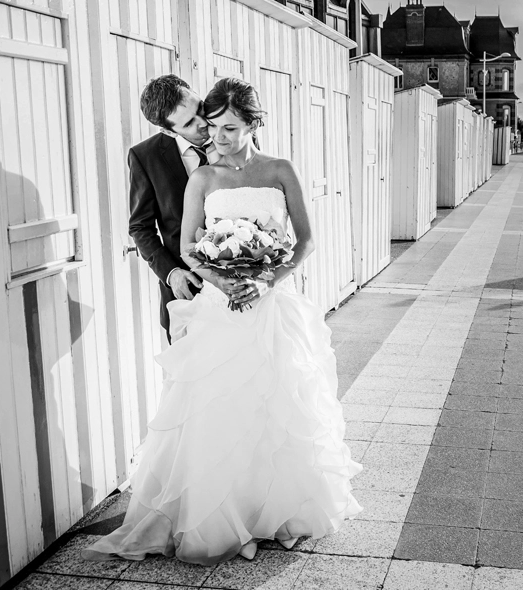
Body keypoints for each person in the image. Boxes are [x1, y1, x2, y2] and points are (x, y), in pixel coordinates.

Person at [82, 77, 362, 565]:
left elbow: (306, 239)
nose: (213, 134)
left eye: (224, 125)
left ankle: (277, 512)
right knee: (216, 411)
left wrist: (266, 279)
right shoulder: (189, 172)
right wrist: (216, 279)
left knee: (277, 406)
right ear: (173, 127)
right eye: (203, 126)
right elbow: (184, 243)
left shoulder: (279, 169)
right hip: (211, 300)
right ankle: (227, 518)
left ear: (252, 122)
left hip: (272, 304)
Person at [127, 75, 250, 343]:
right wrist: (171, 274)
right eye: (189, 123)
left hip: (243, 285)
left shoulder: (233, 136)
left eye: (200, 109)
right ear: (169, 131)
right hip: (189, 290)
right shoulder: (145, 157)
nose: (204, 123)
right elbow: (140, 226)